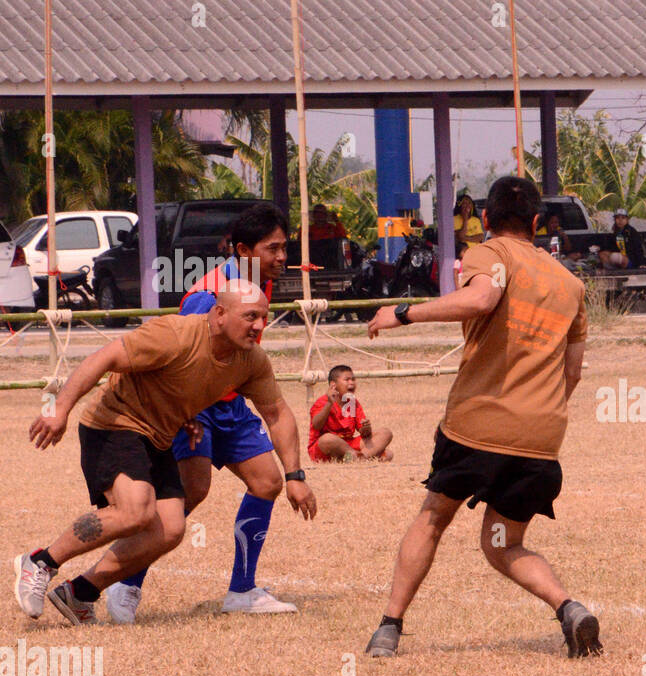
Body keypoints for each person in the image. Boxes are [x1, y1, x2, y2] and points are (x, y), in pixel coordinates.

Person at [362, 175, 601, 659]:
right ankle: (569, 608)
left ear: (486, 220)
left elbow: (481, 299)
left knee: (432, 518)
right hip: (539, 438)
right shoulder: (572, 284)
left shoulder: (489, 253)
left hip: (477, 425)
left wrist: (402, 312)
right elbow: (572, 374)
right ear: (537, 223)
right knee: (503, 543)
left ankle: (389, 628)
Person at [14, 279, 317, 625]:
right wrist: (60, 408)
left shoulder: (250, 360)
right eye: (250, 316)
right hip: (113, 424)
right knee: (135, 511)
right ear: (219, 314)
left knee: (170, 529)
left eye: (264, 317)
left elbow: (276, 412)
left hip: (157, 438)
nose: (260, 326)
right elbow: (103, 358)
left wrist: (294, 476)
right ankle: (41, 561)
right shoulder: (174, 334)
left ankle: (80, 592)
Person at [103, 203, 302, 622]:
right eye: (275, 249)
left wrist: (297, 473)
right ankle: (124, 580)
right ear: (245, 250)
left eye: (285, 248)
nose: (283, 257)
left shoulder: (255, 287)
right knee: (189, 494)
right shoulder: (208, 295)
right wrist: (179, 413)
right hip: (195, 409)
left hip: (231, 404)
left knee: (267, 482)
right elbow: (173, 357)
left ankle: (242, 591)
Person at [308, 364, 394, 462]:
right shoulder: (322, 402)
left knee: (385, 433)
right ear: (333, 385)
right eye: (347, 380)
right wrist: (329, 404)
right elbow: (316, 425)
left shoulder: (352, 402)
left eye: (353, 379)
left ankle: (360, 457)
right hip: (326, 448)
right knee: (327, 439)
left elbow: (363, 433)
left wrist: (366, 429)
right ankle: (357, 456)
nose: (351, 383)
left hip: (349, 445)